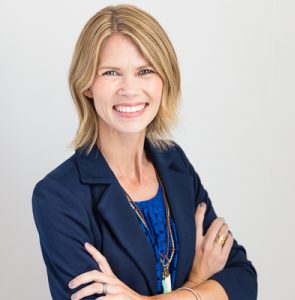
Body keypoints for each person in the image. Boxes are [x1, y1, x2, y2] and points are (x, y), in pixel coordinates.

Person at [32, 4, 257, 300]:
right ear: (86, 83)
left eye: (145, 70)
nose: (130, 89)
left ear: (164, 79)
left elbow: (243, 280)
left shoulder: (174, 163)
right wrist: (200, 279)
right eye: (111, 72)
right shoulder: (58, 196)